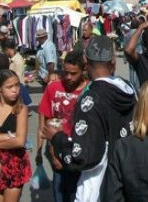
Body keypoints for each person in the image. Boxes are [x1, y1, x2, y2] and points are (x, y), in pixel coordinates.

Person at [45, 36, 137, 202]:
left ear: (86, 61)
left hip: (99, 188)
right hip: (128, 180)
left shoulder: (90, 99)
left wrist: (57, 137)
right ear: (113, 61)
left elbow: (83, 157)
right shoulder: (128, 89)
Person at [37, 50, 88, 202]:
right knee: (60, 195)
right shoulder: (53, 88)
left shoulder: (90, 90)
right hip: (57, 152)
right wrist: (51, 155)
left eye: (74, 73)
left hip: (81, 153)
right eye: (66, 72)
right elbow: (46, 123)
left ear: (84, 70)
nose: (68, 77)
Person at [0, 70, 32, 202]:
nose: (15, 90)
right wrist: (9, 136)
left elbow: (20, 141)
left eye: (17, 85)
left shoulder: (21, 109)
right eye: (10, 87)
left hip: (14, 163)